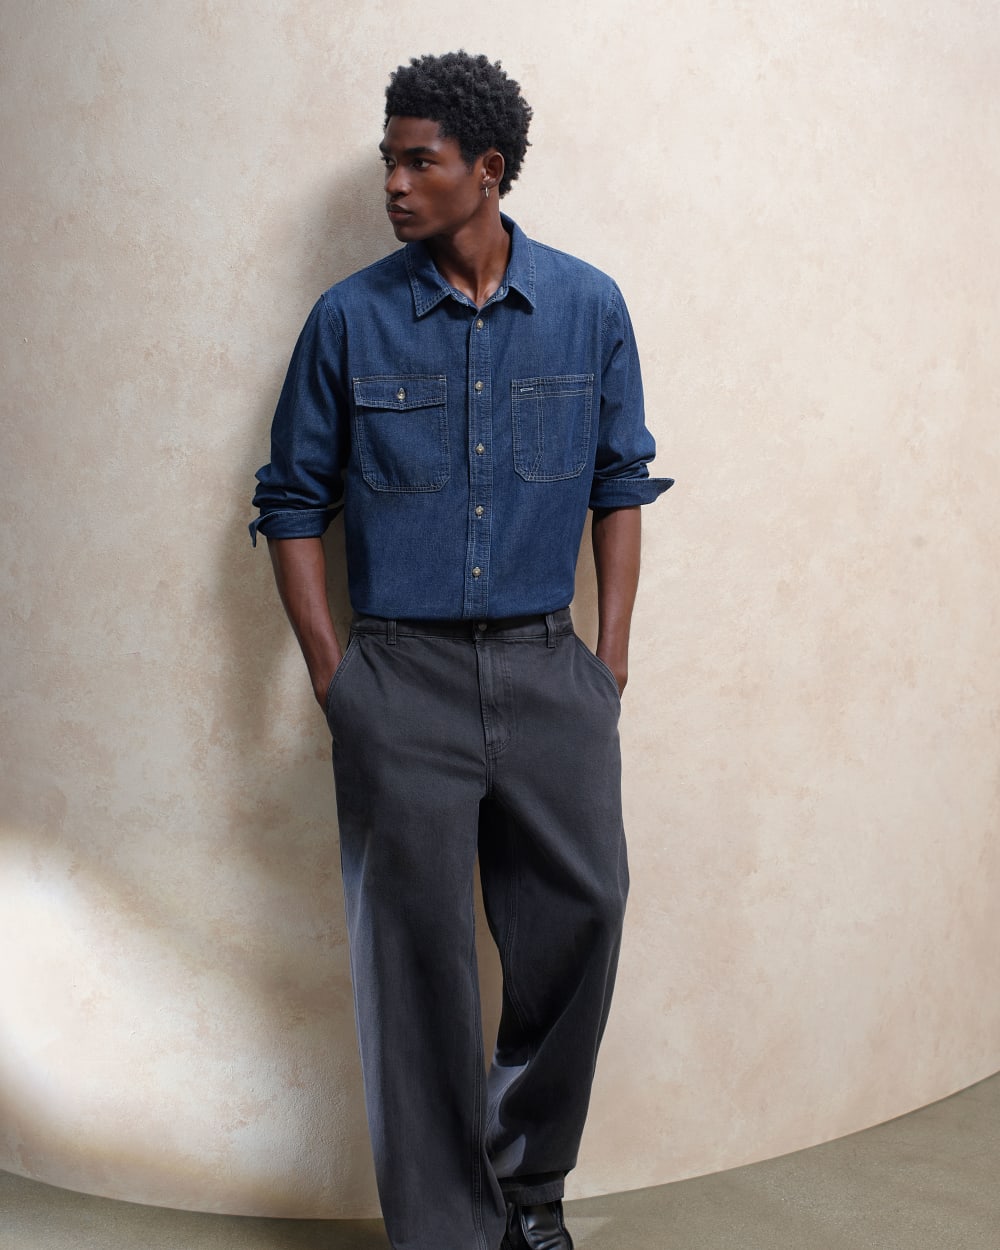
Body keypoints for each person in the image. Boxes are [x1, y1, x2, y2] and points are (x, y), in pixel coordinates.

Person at [251, 50, 672, 1250]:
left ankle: (529, 1188)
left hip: (549, 669)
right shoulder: (347, 319)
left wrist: (609, 656)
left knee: (581, 916)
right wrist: (336, 677)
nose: (393, 183)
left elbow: (620, 481)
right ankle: (444, 1230)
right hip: (401, 680)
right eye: (387, 160)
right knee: (415, 963)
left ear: (486, 169)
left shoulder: (588, 305)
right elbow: (291, 501)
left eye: (416, 161)